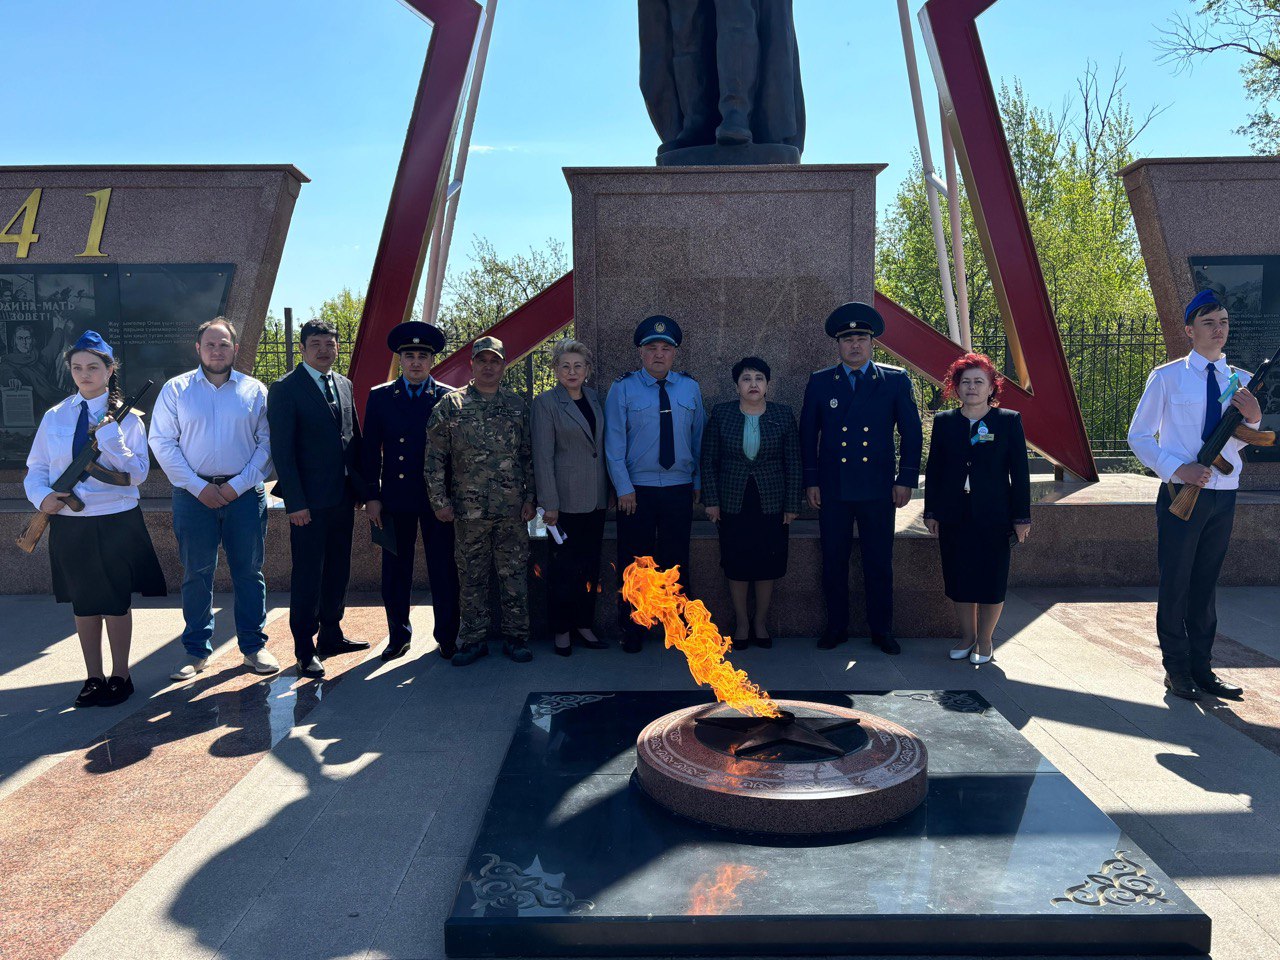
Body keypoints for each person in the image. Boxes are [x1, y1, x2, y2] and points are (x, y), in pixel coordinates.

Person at [1128, 289, 1263, 702]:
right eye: (1208, 322)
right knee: (1177, 583)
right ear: (1189, 330)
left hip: (1223, 494)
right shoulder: (1168, 376)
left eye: (1222, 321)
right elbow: (1138, 436)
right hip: (1181, 492)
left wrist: (1254, 419)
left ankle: (1204, 669)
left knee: (1206, 584)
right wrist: (1177, 468)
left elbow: (1238, 444)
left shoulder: (1238, 380)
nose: (1218, 329)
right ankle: (1177, 669)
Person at [24, 331, 167, 707]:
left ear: (109, 370)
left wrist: (111, 439)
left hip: (116, 521)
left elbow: (136, 474)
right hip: (70, 523)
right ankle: (93, 677)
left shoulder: (129, 421)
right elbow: (36, 468)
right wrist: (43, 497)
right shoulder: (56, 416)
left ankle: (121, 675)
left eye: (93, 367)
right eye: (77, 367)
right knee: (84, 603)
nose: (84, 374)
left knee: (115, 601)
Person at [151, 318, 276, 682]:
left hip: (243, 496)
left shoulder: (255, 391)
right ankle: (196, 651)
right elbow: (162, 442)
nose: (216, 351)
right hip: (193, 496)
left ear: (235, 349)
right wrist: (196, 486)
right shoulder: (176, 390)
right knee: (196, 573)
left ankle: (253, 647)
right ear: (198, 349)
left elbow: (266, 443)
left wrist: (237, 486)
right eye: (210, 344)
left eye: (224, 344)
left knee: (249, 573)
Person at [800, 301, 923, 655]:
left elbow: (911, 433)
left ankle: (881, 630)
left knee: (878, 561)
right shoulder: (822, 382)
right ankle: (835, 627)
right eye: (847, 339)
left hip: (878, 488)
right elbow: (809, 433)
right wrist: (812, 480)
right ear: (837, 345)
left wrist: (906, 479)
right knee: (833, 560)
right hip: (833, 488)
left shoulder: (894, 380)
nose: (855, 345)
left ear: (872, 343)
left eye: (861, 338)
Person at [266, 319, 370, 678]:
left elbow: (352, 438)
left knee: (339, 569)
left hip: (342, 498)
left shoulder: (343, 383)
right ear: (303, 349)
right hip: (307, 503)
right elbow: (282, 451)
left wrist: (359, 489)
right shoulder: (285, 388)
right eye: (316, 344)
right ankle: (303, 648)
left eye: (330, 344)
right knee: (308, 574)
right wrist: (294, 502)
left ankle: (332, 634)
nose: (324, 350)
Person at [426, 336, 536, 667]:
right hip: (467, 510)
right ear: (472, 364)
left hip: (512, 510)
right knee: (471, 578)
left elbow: (528, 456)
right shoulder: (451, 406)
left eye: (495, 361)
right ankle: (473, 641)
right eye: (482, 361)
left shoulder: (517, 406)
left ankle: (517, 639)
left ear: (504, 365)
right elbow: (434, 459)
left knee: (514, 575)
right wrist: (439, 501)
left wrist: (531, 497)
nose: (489, 366)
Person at [605, 315, 707, 652]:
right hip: (637, 491)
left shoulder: (689, 388)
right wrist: (623, 488)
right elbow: (614, 443)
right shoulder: (622, 388)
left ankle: (676, 628)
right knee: (637, 564)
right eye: (652, 348)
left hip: (679, 488)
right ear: (641, 352)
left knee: (676, 561)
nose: (659, 354)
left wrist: (696, 481)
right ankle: (633, 628)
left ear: (674, 354)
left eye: (666, 348)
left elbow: (698, 439)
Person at [361, 320, 460, 662]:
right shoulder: (381, 397)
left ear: (432, 360)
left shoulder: (448, 397)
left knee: (443, 568)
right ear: (399, 361)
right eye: (409, 356)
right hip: (395, 498)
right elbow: (370, 451)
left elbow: (456, 455)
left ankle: (447, 635)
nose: (416, 362)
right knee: (395, 569)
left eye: (422, 356)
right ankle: (397, 635)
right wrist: (371, 497)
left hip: (438, 500)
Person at [923, 354, 1031, 665]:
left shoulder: (1008, 421)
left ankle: (985, 640)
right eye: (965, 381)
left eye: (978, 382)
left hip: (995, 514)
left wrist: (1021, 517)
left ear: (991, 388)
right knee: (960, 576)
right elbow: (935, 470)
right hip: (955, 513)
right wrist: (932, 511)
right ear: (956, 387)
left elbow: (1020, 474)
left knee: (992, 577)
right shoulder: (945, 423)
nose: (971, 387)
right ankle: (967, 637)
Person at [701, 356, 801, 648]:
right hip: (733, 502)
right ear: (736, 386)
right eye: (746, 379)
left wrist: (792, 504)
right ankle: (742, 623)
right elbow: (709, 461)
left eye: (759, 378)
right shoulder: (722, 414)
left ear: (768, 384)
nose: (753, 384)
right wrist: (712, 501)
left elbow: (793, 461)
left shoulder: (783, 415)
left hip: (772, 503)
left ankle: (760, 622)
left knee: (767, 563)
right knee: (738, 563)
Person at [531, 339, 611, 657]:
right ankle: (562, 630)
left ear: (587, 370)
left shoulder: (594, 398)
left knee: (589, 567)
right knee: (563, 568)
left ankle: (584, 624)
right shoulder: (546, 403)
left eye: (578, 365)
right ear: (555, 370)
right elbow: (542, 456)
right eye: (565, 366)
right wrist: (549, 502)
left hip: (596, 498)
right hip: (562, 503)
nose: (572, 371)